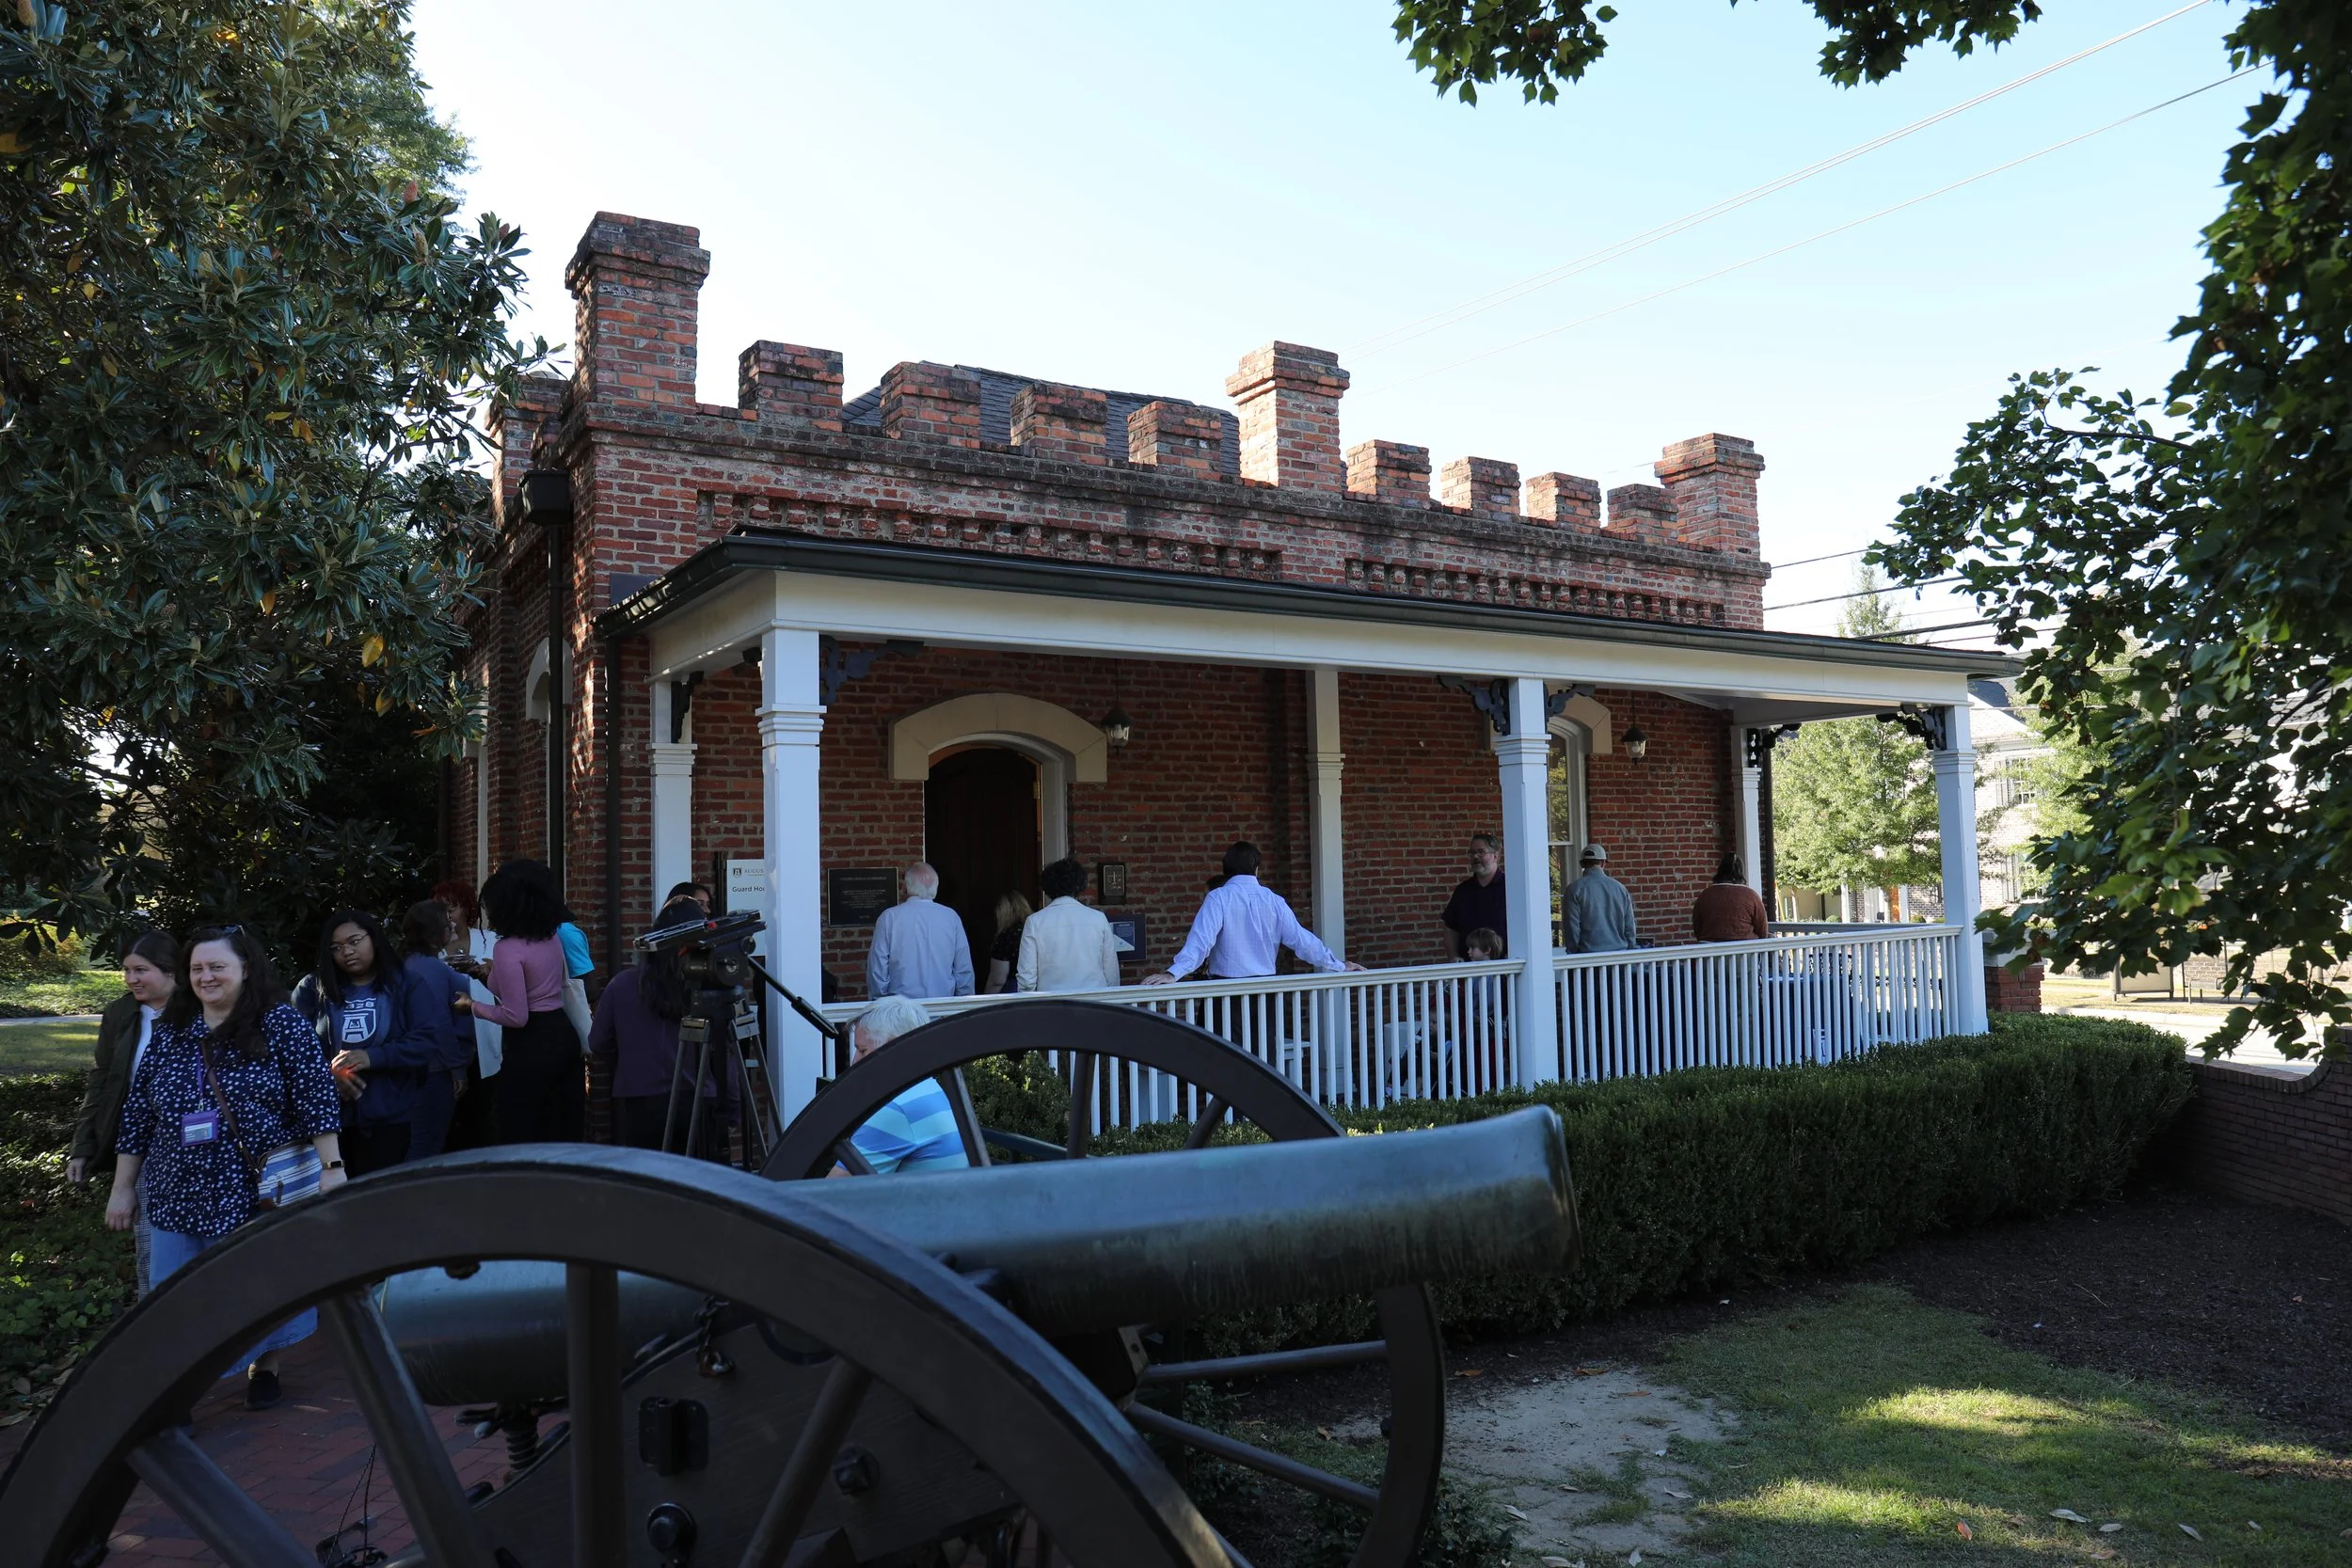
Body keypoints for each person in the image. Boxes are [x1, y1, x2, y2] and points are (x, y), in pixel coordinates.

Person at [107, 925, 345, 1408]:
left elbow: (316, 1098)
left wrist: (332, 1166)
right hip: (176, 1189)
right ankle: (178, 1392)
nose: (206, 976)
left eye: (218, 966)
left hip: (250, 1188)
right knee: (174, 1296)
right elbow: (137, 1112)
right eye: (197, 968)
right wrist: (122, 1187)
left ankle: (266, 1366)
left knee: (253, 1290)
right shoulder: (173, 1029)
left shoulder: (280, 1023)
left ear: (245, 969)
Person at [68, 930, 178, 1292]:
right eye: (126, 971)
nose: (131, 979)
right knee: (152, 1247)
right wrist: (83, 1146)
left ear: (170, 971)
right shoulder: (120, 1012)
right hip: (139, 1140)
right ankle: (157, 1323)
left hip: (192, 1143)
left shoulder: (198, 1010)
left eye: (140, 970)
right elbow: (102, 1081)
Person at [292, 910, 439, 1177]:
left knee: (379, 1200)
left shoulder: (406, 984)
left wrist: (373, 1057)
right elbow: (292, 1053)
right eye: (336, 947)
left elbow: (427, 1041)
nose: (346, 951)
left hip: (391, 1117)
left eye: (354, 941)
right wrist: (328, 1074)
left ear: (374, 939)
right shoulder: (313, 989)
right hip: (328, 1121)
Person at [590, 895, 727, 1155]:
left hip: (643, 1101)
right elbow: (725, 1053)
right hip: (698, 1099)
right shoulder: (707, 987)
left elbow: (598, 1041)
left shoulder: (622, 985)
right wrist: (730, 1104)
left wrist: (631, 1060)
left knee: (653, 1186)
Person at [1143, 842, 1362, 984]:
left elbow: (1200, 943)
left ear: (1225, 869)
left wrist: (1173, 973)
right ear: (1257, 868)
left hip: (1226, 992)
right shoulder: (1274, 901)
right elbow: (1302, 940)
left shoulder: (1219, 897)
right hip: (1264, 990)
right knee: (1259, 1054)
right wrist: (1339, 965)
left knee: (1220, 1054)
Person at [474, 862, 585, 1142]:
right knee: (561, 1123)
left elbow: (516, 1015)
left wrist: (473, 1007)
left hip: (530, 1044)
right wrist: (484, 975)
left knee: (522, 1126)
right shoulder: (551, 939)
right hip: (561, 1032)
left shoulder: (506, 948)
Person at [830, 996, 969, 1176]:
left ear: (891, 1049)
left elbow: (832, 1190)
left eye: (862, 1050)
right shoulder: (927, 1087)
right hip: (947, 1199)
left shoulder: (897, 1109)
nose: (855, 1061)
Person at [395, 900, 475, 1159]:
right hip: (434, 1071)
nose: (452, 924)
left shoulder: (414, 962)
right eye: (445, 921)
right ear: (432, 932)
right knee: (426, 1145)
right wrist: (457, 1067)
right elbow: (438, 1021)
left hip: (423, 1067)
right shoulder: (428, 968)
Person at [432, 877, 502, 1150]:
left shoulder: (490, 941)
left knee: (485, 1115)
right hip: (449, 1043)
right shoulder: (433, 950)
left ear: (467, 908)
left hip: (487, 1036)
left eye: (452, 908)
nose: (447, 916)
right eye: (440, 910)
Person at [866, 863, 974, 1000]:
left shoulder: (889, 917)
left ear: (906, 886)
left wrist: (880, 1001)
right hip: (943, 1005)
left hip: (900, 1008)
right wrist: (963, 1002)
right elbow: (963, 967)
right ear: (936, 886)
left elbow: (877, 968)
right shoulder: (951, 917)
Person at [1017, 858, 1120, 992]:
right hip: (1095, 1001)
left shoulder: (1035, 922)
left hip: (1053, 1002)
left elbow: (1027, 978)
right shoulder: (1098, 918)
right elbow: (1111, 970)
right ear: (1080, 884)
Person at [1440, 833, 1509, 958]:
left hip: (1504, 969)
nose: (1475, 856)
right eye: (1472, 853)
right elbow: (1450, 928)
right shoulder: (1463, 891)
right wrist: (1453, 957)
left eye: (1481, 852)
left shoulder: (1511, 888)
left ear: (1495, 856)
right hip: (1469, 970)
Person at [1564, 843, 1637, 953]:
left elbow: (1572, 926)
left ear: (1581, 864)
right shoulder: (1620, 888)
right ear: (1603, 862)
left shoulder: (1574, 889)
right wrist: (1630, 950)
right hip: (1619, 956)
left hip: (1588, 958)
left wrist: (1573, 952)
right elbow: (1630, 926)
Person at [1692, 853, 1772, 942]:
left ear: (1720, 870)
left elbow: (1697, 928)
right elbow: (1762, 930)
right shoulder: (1751, 896)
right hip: (1744, 953)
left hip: (1709, 952)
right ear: (1741, 872)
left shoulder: (1705, 895)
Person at [984, 891, 1032, 994]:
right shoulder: (1033, 930)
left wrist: (985, 1001)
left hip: (1013, 993)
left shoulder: (1007, 936)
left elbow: (998, 979)